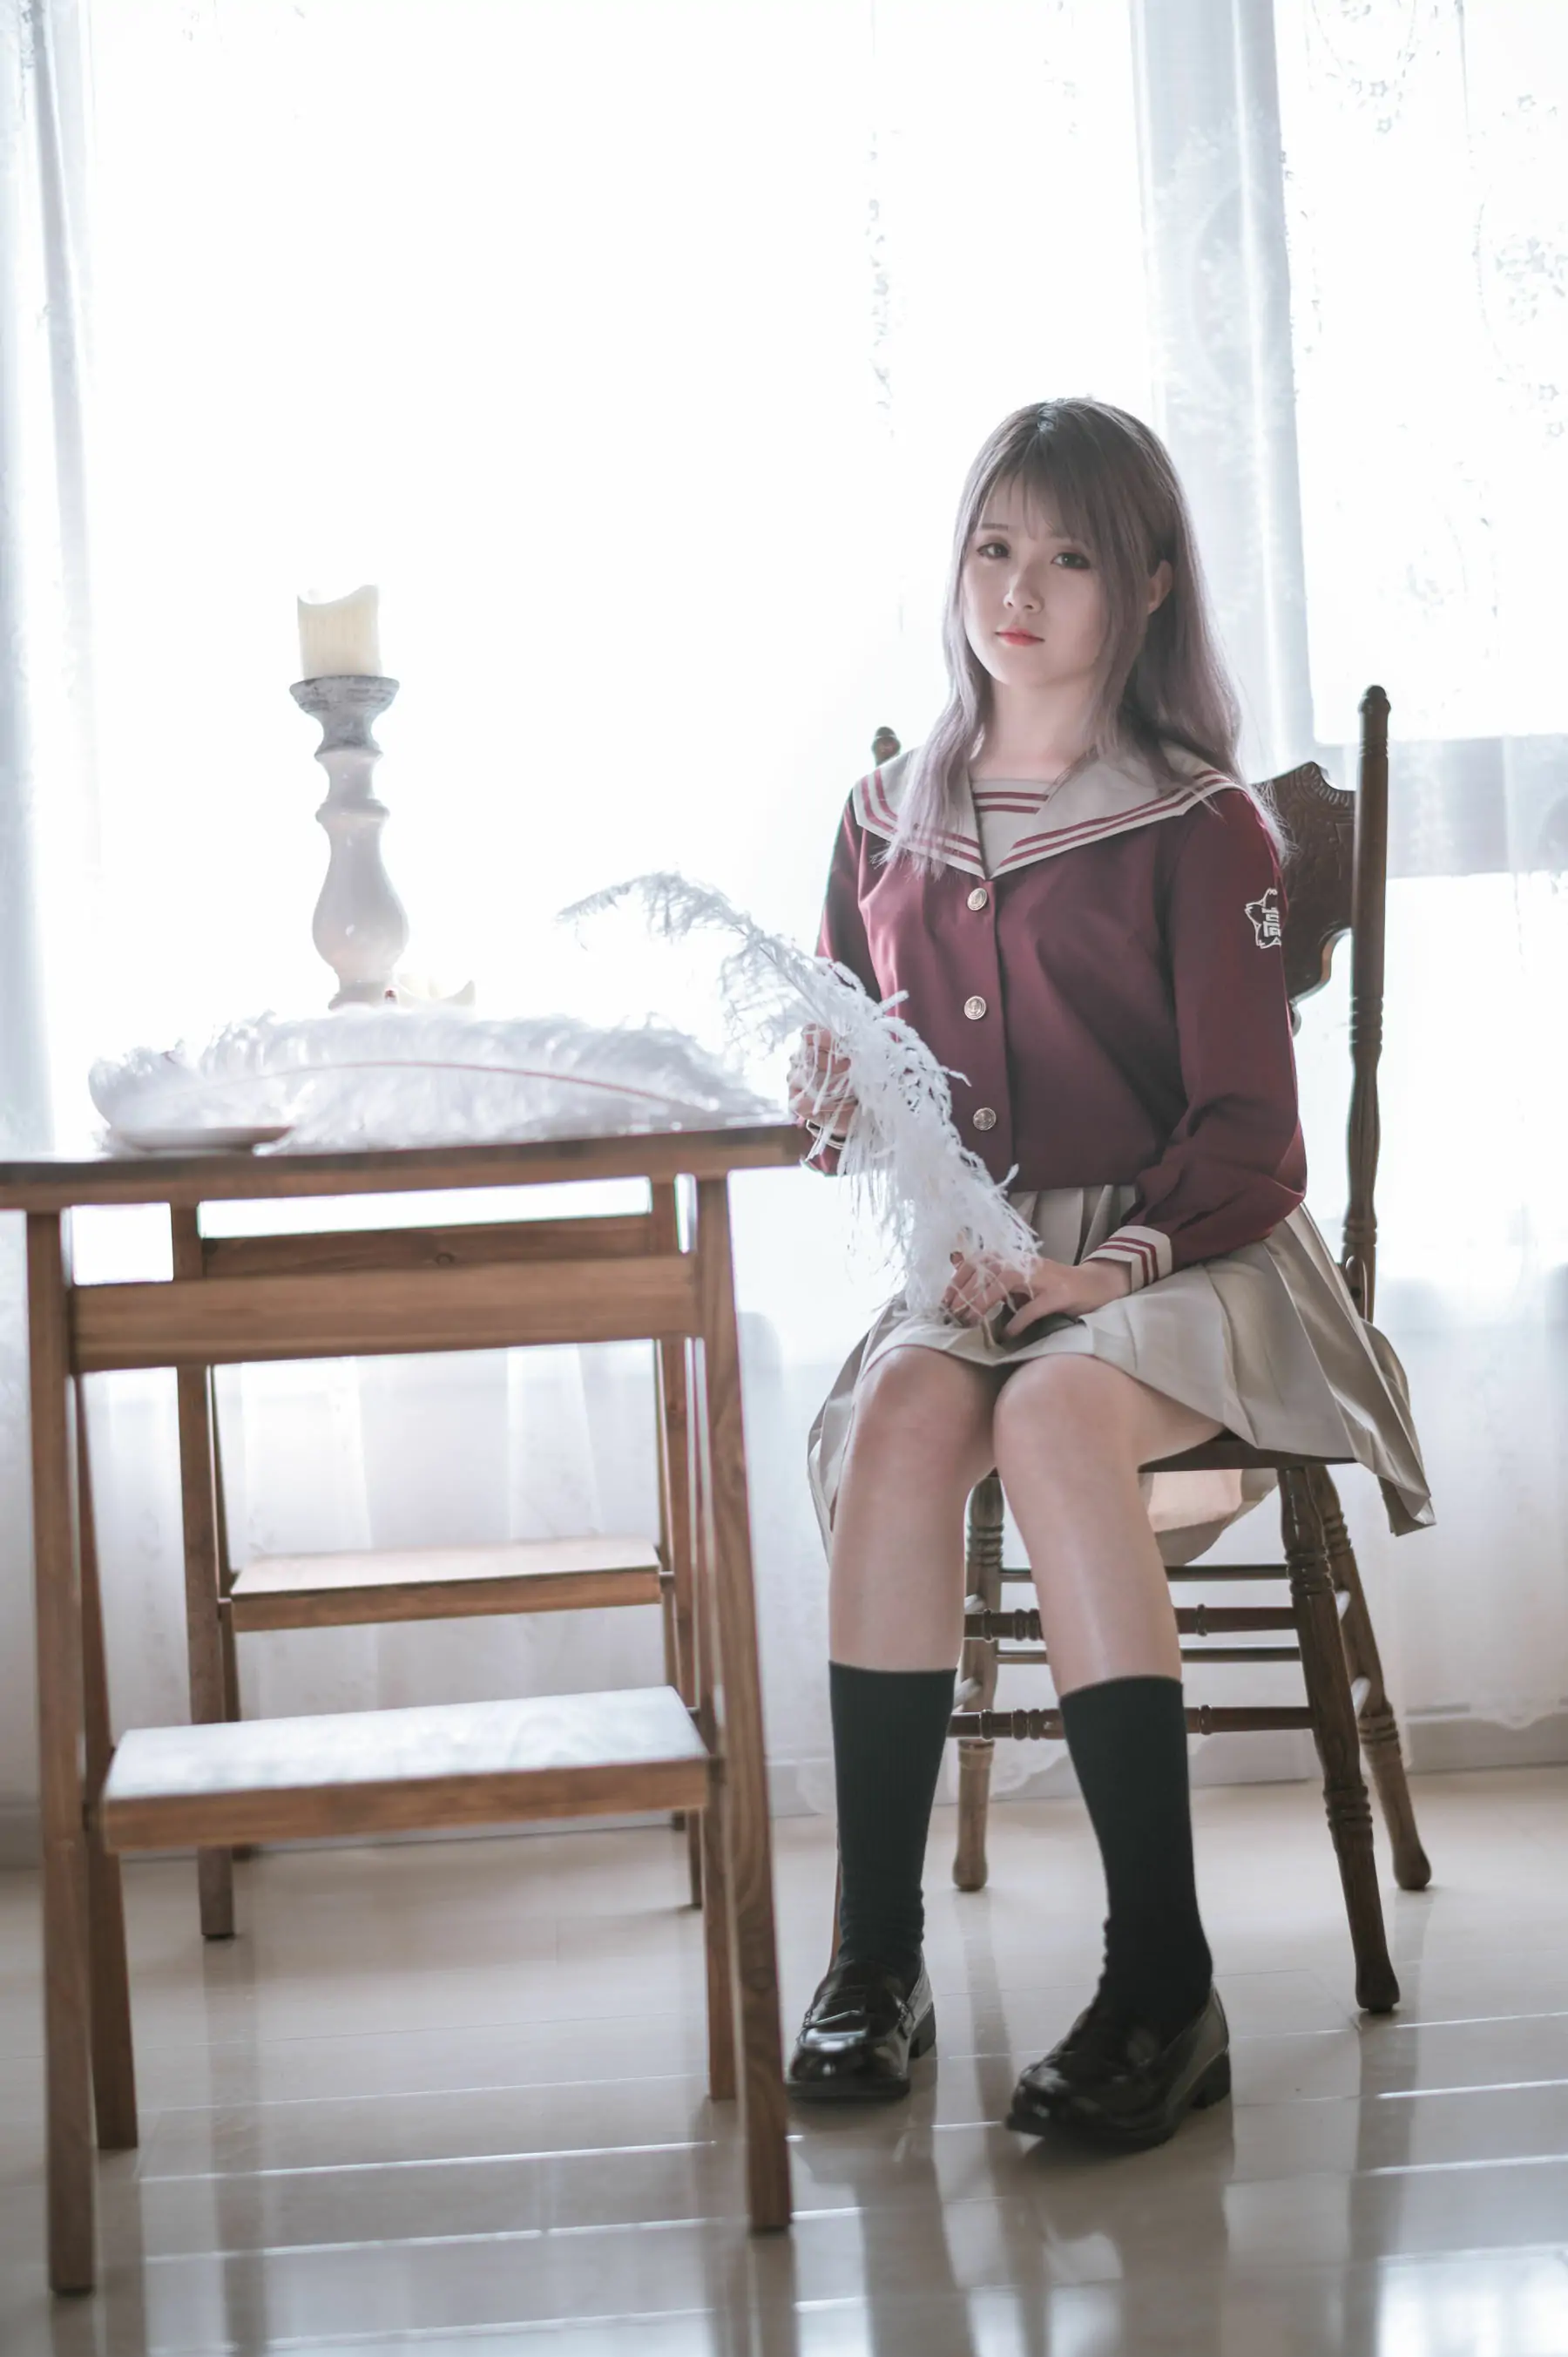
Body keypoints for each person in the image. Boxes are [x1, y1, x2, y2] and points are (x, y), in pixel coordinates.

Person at [783, 396, 1431, 2150]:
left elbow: (1251, 1137)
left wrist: (1103, 1273)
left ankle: (1163, 1981)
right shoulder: (881, 819)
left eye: (1067, 556)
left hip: (1193, 1249)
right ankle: (873, 1958)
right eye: (994, 547)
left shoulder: (1199, 824)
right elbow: (866, 1100)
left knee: (1056, 1418)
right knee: (906, 1416)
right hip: (990, 1268)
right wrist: (833, 1105)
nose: (1019, 590)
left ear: (1145, 586)